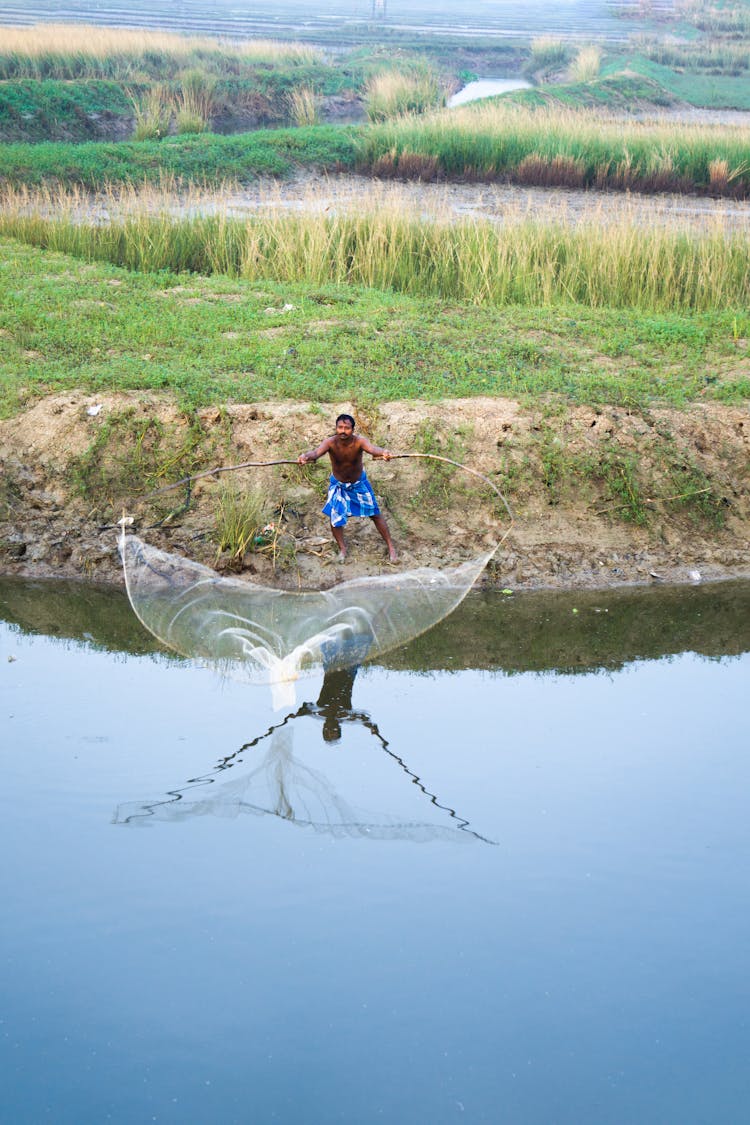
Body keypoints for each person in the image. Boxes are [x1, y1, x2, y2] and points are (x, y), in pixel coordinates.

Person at [297, 413, 397, 561]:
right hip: (339, 485)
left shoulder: (359, 442)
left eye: (347, 428)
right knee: (335, 517)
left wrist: (384, 453)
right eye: (340, 427)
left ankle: (391, 548)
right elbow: (316, 453)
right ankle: (342, 550)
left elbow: (372, 449)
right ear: (336, 428)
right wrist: (305, 456)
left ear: (353, 429)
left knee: (375, 513)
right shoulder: (330, 442)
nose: (343, 431)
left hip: (359, 484)